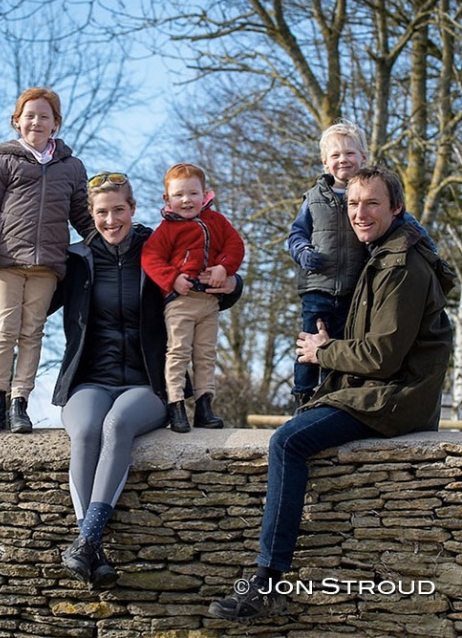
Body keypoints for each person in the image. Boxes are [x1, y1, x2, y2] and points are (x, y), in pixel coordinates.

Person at [208, 166, 454, 622]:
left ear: (396, 207)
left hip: (397, 397)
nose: (359, 213)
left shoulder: (400, 264)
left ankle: (268, 583)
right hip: (383, 389)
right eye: (353, 204)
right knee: (297, 426)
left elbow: (382, 356)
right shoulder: (382, 251)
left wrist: (324, 351)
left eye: (372, 204)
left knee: (288, 441)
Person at [52, 171, 242, 589]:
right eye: (102, 212)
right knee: (85, 430)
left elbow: (207, 272)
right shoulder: (76, 259)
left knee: (116, 426)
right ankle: (90, 545)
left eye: (119, 209)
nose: (111, 219)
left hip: (148, 382)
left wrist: (231, 281)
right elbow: (32, 300)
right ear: (91, 215)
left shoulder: (156, 246)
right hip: (89, 380)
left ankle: (87, 541)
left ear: (133, 209)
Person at [0, 87, 91, 434]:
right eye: (30, 116)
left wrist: (108, 238)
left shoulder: (72, 167)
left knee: (32, 333)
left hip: (47, 265)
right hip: (6, 262)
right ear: (17, 122)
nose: (37, 121)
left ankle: (21, 402)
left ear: (56, 124)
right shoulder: (2, 160)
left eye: (45, 116)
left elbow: (81, 215)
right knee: (5, 330)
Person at [288, 119, 434, 412]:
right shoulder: (314, 198)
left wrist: (428, 247)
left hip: (355, 287)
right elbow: (296, 234)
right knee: (309, 341)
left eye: (350, 154)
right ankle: (302, 393)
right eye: (336, 155)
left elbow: (406, 220)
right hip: (319, 284)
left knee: (340, 343)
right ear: (325, 162)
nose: (343, 160)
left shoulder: (371, 192)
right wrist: (302, 251)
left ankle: (330, 395)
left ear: (363, 157)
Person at [141, 163, 245, 433]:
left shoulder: (217, 222)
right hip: (180, 301)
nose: (186, 200)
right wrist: (171, 278)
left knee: (206, 354)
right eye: (178, 195)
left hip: (209, 302)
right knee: (178, 352)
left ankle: (204, 405)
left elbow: (235, 245)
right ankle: (176, 404)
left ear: (205, 195)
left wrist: (224, 267)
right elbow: (151, 259)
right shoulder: (165, 229)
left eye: (192, 194)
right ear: (167, 199)